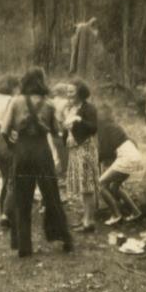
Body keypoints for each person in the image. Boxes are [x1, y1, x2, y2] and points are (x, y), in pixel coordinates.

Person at [0, 67, 73, 257]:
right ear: (41, 82)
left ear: (25, 82)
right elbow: (57, 131)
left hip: (22, 151)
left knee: (22, 198)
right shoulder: (49, 105)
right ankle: (65, 239)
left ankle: (24, 246)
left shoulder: (15, 102)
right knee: (52, 196)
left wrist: (13, 147)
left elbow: (4, 130)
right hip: (42, 151)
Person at [62, 79, 100, 232]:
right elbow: (67, 129)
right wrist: (64, 135)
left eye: (71, 91)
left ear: (80, 92)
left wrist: (79, 120)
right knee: (82, 186)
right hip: (75, 150)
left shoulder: (89, 108)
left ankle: (89, 221)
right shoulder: (70, 108)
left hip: (85, 149)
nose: (68, 94)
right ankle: (85, 218)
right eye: (68, 91)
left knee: (87, 186)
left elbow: (93, 128)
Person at [96, 116, 142, 225]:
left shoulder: (104, 128)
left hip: (126, 158)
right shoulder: (115, 126)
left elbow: (106, 152)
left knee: (100, 184)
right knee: (114, 187)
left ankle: (116, 215)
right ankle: (136, 212)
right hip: (134, 156)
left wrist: (96, 160)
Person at [0, 75, 19, 226]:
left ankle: (4, 210)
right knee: (13, 179)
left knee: (5, 178)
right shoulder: (11, 101)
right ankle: (7, 215)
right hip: (9, 138)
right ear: (12, 87)